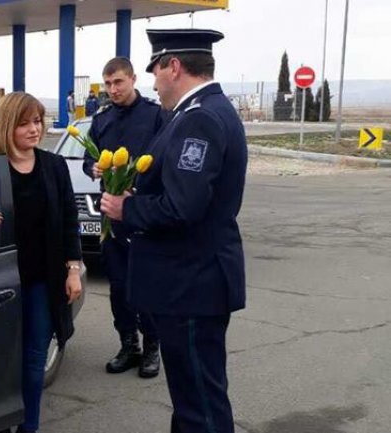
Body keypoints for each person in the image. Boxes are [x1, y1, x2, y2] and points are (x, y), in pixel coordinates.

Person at [100, 29, 247, 433]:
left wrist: (125, 207)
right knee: (192, 399)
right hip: (192, 282)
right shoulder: (200, 111)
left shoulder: (199, 118)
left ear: (175, 66)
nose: (154, 81)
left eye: (156, 70)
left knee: (200, 403)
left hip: (191, 285)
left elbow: (183, 207)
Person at [0, 92, 83, 433]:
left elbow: (69, 222)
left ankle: (29, 426)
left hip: (43, 279)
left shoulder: (54, 167)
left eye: (38, 121)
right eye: (25, 123)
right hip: (0, 283)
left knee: (33, 359)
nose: (35, 129)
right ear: (7, 126)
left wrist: (73, 271)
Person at [82, 57, 164, 378]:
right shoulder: (101, 119)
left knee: (145, 283)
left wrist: (138, 185)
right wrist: (94, 168)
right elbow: (89, 157)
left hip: (143, 215)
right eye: (107, 84)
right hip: (110, 218)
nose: (113, 89)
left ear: (132, 79)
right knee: (118, 285)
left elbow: (162, 161)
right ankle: (128, 344)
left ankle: (152, 346)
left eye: (118, 82)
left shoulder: (156, 116)